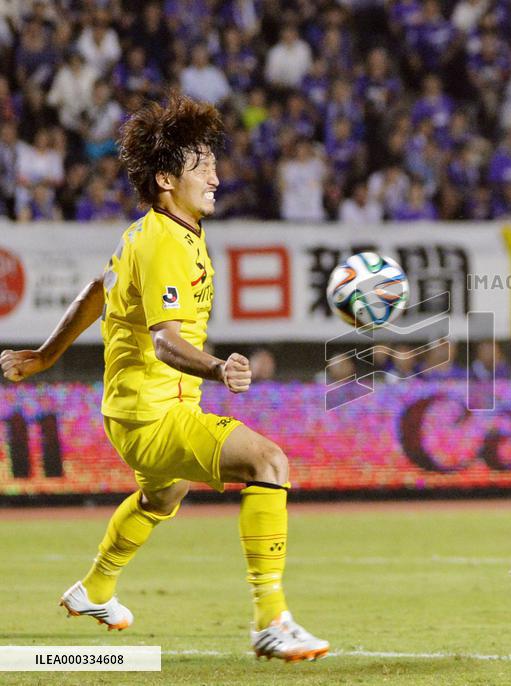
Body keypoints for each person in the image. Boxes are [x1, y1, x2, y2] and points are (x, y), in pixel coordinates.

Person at [0, 96, 328, 661]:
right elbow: (164, 341)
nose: (216, 177)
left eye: (213, 164)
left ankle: (95, 588)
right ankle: (270, 620)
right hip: (156, 413)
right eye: (201, 166)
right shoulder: (165, 242)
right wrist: (219, 368)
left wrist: (45, 356)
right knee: (269, 463)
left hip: (135, 409)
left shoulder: (151, 232)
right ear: (166, 178)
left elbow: (98, 292)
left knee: (162, 495)